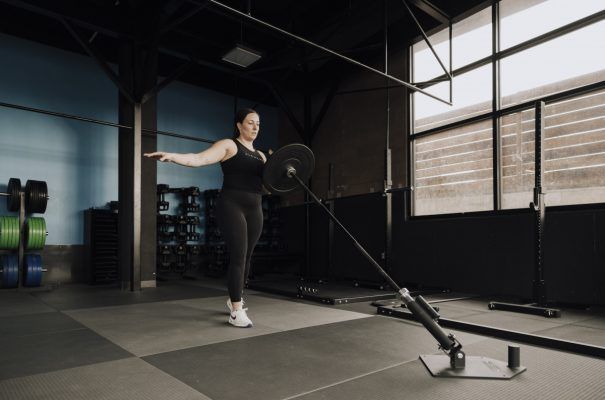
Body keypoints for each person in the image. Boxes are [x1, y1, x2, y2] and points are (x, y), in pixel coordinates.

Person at [144, 108, 266, 328]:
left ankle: (234, 297)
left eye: (258, 123)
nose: (255, 127)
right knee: (238, 255)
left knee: (248, 256)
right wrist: (173, 156)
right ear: (239, 125)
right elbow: (198, 159)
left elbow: (271, 184)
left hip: (255, 207)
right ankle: (236, 311)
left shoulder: (261, 156)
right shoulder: (229, 145)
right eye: (250, 123)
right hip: (232, 205)